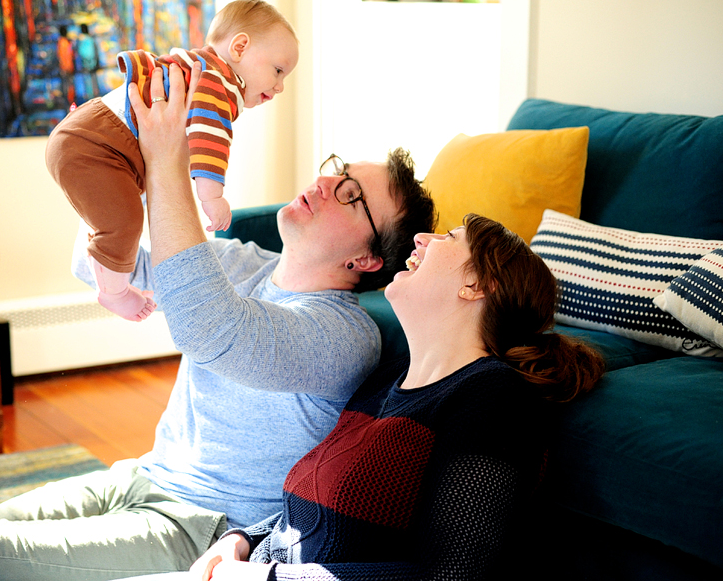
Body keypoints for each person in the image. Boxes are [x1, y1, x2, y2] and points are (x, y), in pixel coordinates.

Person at [0, 55, 437, 581]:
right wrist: (119, 149)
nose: (328, 184)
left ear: (367, 257)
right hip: (137, 477)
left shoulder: (345, 335)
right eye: (339, 172)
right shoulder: (247, 264)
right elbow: (93, 263)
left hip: (200, 525)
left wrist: (169, 155)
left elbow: (212, 330)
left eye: (353, 196)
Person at [181, 213, 606, 581]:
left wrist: (265, 577)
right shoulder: (383, 383)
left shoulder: (494, 399)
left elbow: (450, 573)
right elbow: (316, 511)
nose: (423, 238)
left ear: (477, 285)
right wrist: (241, 539)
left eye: (450, 238)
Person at [46, 0, 300, 322]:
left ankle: (102, 260)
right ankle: (114, 292)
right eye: (278, 71)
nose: (279, 87)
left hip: (90, 131)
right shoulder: (216, 83)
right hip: (100, 143)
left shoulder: (197, 67)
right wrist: (213, 197)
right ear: (239, 47)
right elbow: (210, 141)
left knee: (123, 213)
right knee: (124, 221)